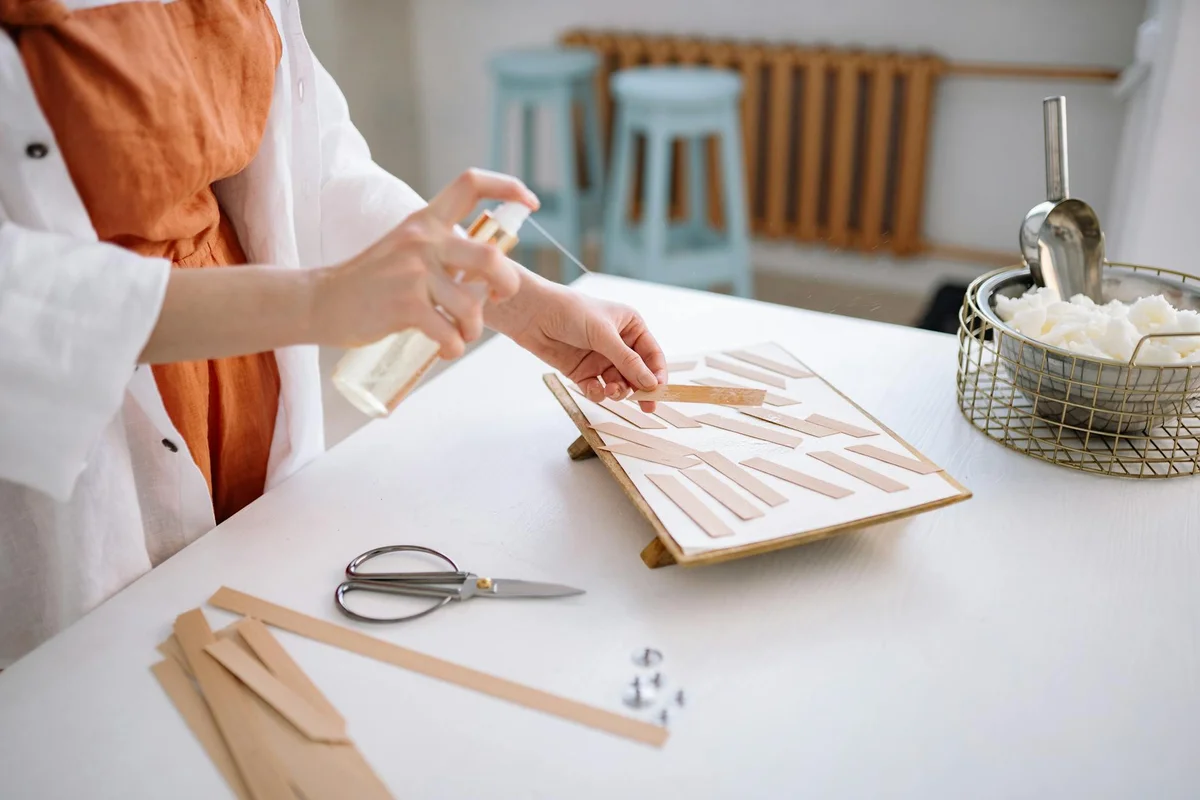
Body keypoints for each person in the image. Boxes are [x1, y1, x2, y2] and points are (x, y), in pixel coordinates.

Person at [0, 0, 667, 668]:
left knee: (272, 641)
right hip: (83, 447)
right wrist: (317, 300)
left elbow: (314, 164)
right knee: (107, 702)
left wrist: (522, 302)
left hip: (247, 400)